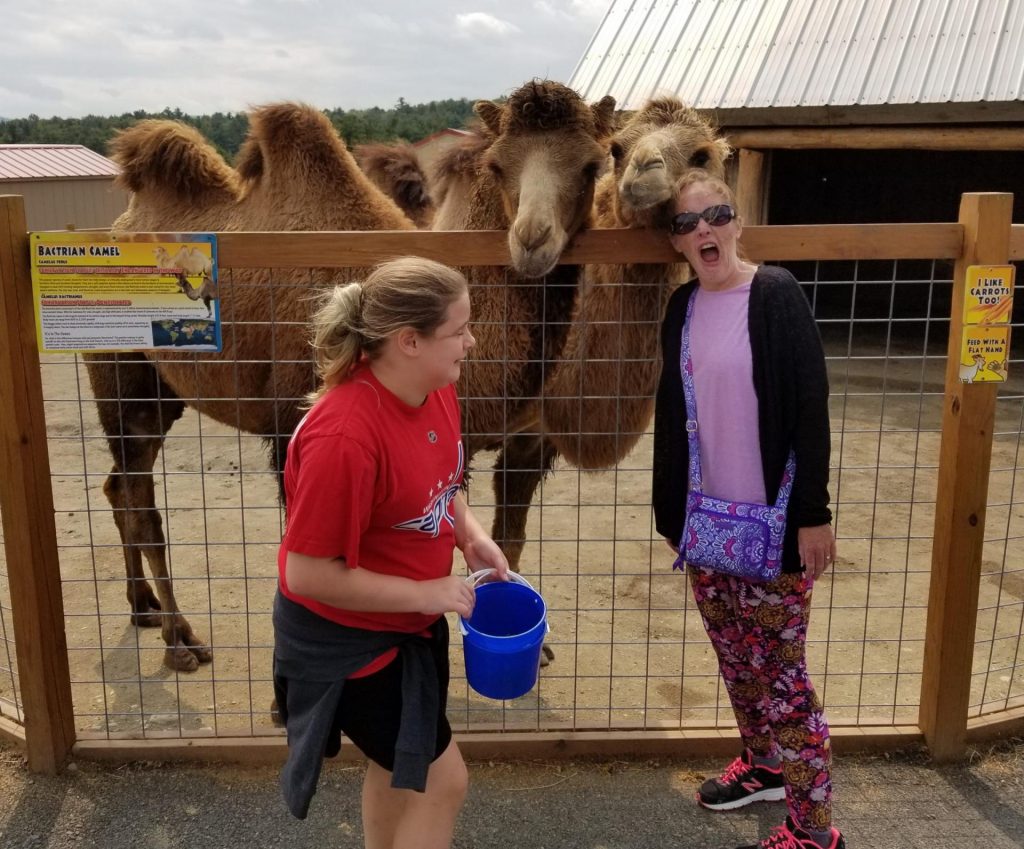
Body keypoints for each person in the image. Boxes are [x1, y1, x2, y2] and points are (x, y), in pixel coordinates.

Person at [273, 256, 509, 849]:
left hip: (411, 621)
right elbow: (306, 573)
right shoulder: (345, 438)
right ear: (408, 340)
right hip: (348, 640)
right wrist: (426, 593)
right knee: (441, 781)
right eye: (458, 331)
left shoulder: (433, 389)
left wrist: (469, 534)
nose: (470, 342)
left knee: (398, 767)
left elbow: (444, 484)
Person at [652, 171, 844, 849]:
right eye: (686, 222)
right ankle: (763, 766)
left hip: (775, 529)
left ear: (737, 225)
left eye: (716, 215)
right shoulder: (682, 309)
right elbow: (679, 419)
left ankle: (815, 828)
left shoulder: (775, 296)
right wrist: (671, 514)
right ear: (674, 240)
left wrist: (813, 513)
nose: (703, 230)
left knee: (783, 677)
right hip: (710, 528)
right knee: (736, 660)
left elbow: (808, 407)